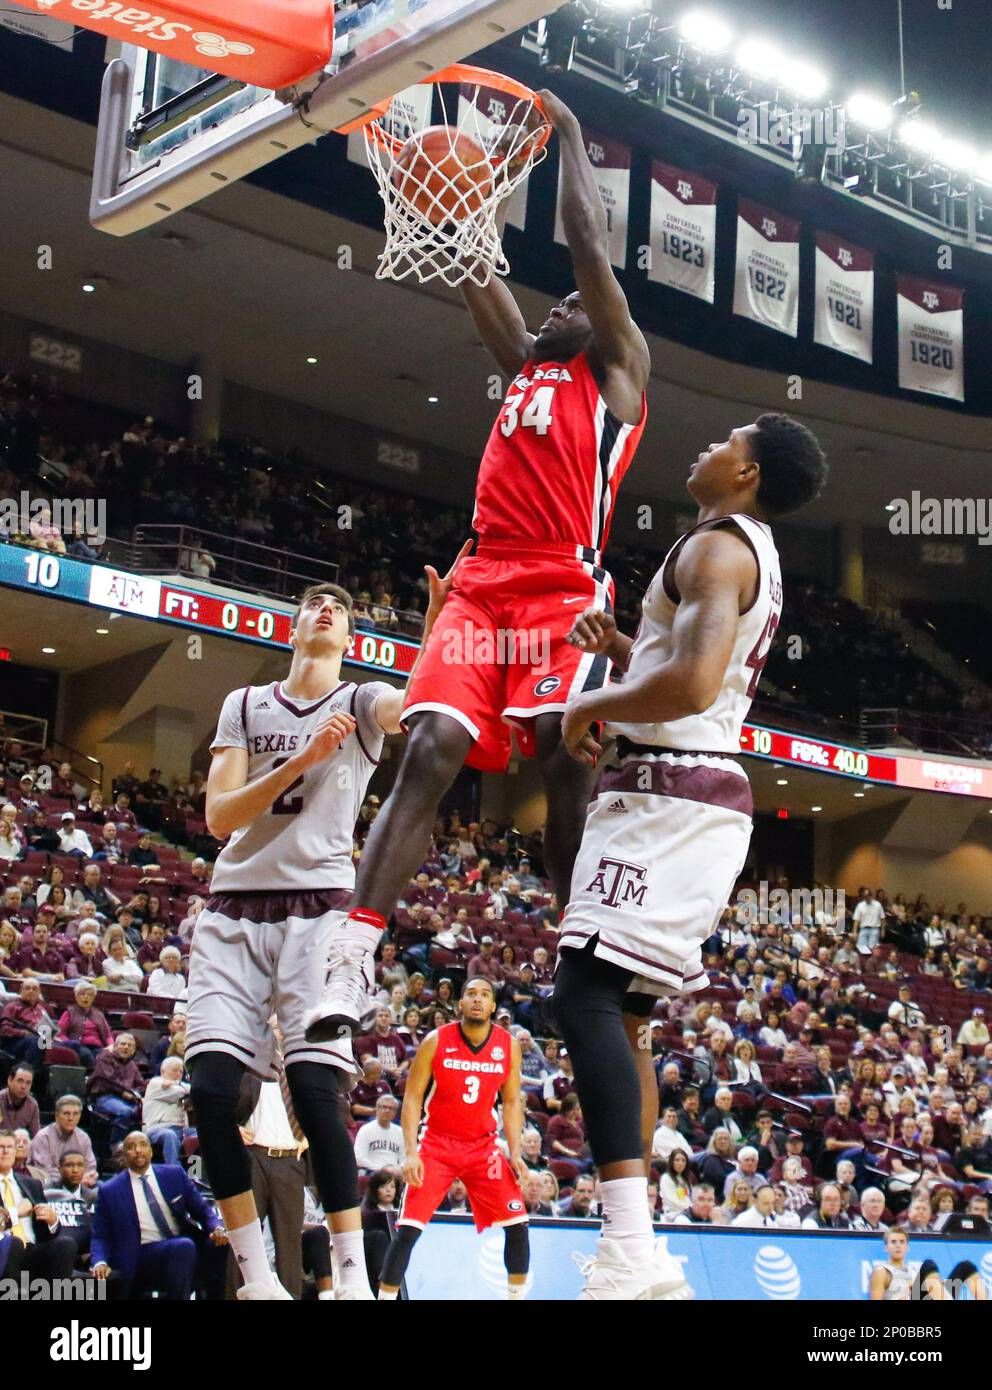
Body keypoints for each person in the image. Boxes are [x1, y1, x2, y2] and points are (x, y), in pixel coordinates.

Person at [307, 89, 651, 1044]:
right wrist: (443, 183)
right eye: (559, 301)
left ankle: (580, 947)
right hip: (481, 580)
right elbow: (467, 255)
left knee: (561, 761)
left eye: (580, 301)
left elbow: (588, 247)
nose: (565, 301)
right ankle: (351, 955)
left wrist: (571, 133)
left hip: (560, 585)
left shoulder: (615, 373)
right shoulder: (527, 358)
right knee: (427, 752)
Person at [552, 407, 826, 1298]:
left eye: (727, 441)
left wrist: (593, 706)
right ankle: (643, 1253)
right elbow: (694, 679)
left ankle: (628, 1250)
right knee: (624, 1018)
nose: (707, 444)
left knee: (583, 993)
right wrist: (629, 658)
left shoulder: (716, 549)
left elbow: (696, 684)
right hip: (698, 788)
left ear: (746, 474)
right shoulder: (748, 554)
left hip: (668, 795)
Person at [184, 572, 454, 1302]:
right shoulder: (243, 704)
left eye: (339, 607)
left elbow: (424, 710)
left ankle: (354, 1283)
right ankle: (258, 1278)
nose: (326, 610)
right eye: (313, 605)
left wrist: (432, 633)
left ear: (351, 636)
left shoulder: (360, 699)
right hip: (235, 907)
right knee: (210, 1090)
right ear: (294, 628)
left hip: (321, 911)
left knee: (315, 1090)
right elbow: (219, 819)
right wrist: (301, 761)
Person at [377, 979, 530, 1301]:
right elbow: (413, 1098)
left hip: (483, 1148)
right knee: (408, 1229)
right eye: (471, 994)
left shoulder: (508, 1046)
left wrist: (515, 1152)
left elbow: (513, 1101)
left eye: (485, 995)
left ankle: (516, 1296)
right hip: (437, 1145)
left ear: (493, 1007)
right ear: (459, 1004)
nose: (477, 999)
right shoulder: (435, 1040)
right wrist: (410, 1152)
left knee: (518, 1223)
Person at [90, 1131, 227, 1300]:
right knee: (183, 1247)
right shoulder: (110, 1190)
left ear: (151, 1151)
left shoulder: (174, 1175)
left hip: (182, 1246)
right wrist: (100, 1262)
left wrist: (217, 1227)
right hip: (141, 1253)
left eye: (143, 1145)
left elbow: (203, 1209)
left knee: (222, 1243)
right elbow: (101, 1236)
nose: (138, 1150)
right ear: (125, 1155)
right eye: (132, 1147)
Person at [0, 1128, 77, 1281]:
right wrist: (17, 1212)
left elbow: (47, 1234)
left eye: (9, 1147)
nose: (5, 1151)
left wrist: (52, 1221)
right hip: (4, 1250)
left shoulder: (32, 1184)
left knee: (66, 1244)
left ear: (16, 1151)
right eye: (1, 1147)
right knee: (14, 1245)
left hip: (32, 1248)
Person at [30, 1095, 98, 1186]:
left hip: (80, 1185)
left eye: (75, 1114)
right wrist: (74, 1180)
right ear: (57, 1115)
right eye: (66, 1113)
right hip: (51, 1187)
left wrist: (89, 1176)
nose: (71, 1118)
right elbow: (45, 1171)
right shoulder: (43, 1137)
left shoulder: (83, 1138)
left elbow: (90, 1167)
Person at [142, 1058, 190, 1167]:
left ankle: (197, 1173)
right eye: (174, 1070)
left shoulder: (177, 1084)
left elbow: (193, 1089)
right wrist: (180, 1085)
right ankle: (173, 1171)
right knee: (170, 1135)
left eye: (181, 1072)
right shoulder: (155, 1083)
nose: (178, 1074)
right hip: (157, 1128)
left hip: (181, 1129)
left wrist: (175, 1083)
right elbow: (179, 1092)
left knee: (200, 1134)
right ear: (162, 1071)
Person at [354, 1095, 405, 1175]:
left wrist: (398, 1169)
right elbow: (358, 1158)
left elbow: (404, 1158)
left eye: (391, 1108)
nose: (387, 1110)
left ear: (395, 1113)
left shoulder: (400, 1132)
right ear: (377, 1109)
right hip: (372, 1172)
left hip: (395, 1174)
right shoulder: (365, 1129)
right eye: (384, 1107)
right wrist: (382, 1169)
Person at [868, 1228, 915, 1301]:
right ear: (886, 1248)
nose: (898, 1245)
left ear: (907, 1247)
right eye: (893, 1242)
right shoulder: (881, 1272)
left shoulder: (914, 1273)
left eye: (902, 1242)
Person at [0, 1064, 40, 1137]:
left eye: (28, 1083)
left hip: (20, 1146)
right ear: (9, 1080)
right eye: (20, 1081)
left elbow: (36, 1138)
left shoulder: (32, 1105)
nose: (23, 1086)